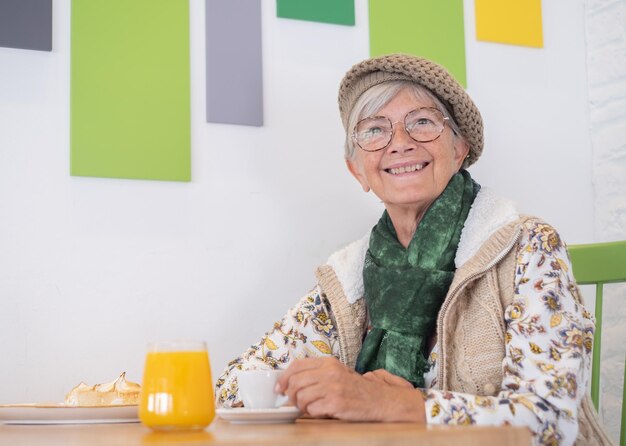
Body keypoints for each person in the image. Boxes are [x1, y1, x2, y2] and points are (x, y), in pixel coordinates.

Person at [214, 54, 611, 445]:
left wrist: (395, 404)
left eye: (422, 122)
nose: (400, 144)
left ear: (460, 150)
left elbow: (548, 420)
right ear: (358, 171)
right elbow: (234, 388)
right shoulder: (349, 279)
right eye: (374, 130)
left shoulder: (529, 247)